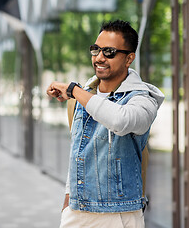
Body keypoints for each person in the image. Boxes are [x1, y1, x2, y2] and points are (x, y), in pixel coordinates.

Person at [46, 20, 164, 228]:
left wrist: (75, 91)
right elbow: (78, 152)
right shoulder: (83, 96)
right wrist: (68, 198)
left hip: (119, 214)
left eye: (109, 52)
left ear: (129, 58)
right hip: (77, 212)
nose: (99, 57)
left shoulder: (143, 100)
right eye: (96, 50)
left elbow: (120, 120)